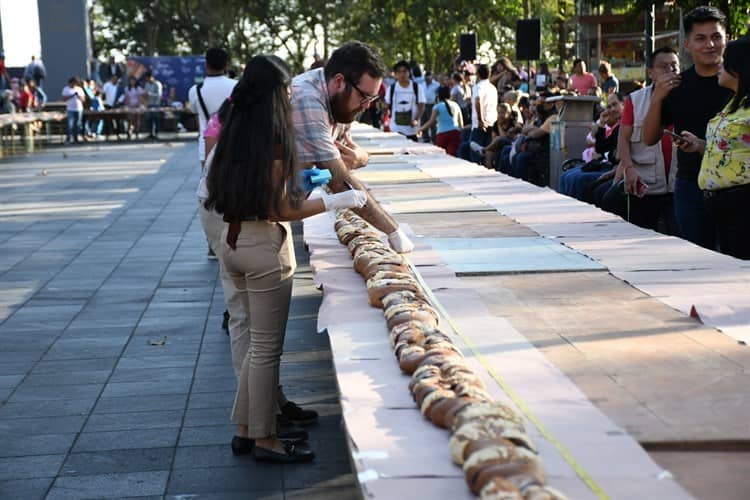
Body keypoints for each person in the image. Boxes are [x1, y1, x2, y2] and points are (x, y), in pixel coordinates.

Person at [204, 55, 367, 463]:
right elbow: (282, 208)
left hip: (231, 240)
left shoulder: (233, 129)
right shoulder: (274, 135)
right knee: (264, 350)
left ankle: (246, 429)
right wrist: (333, 200)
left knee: (252, 343)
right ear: (276, 93)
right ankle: (265, 439)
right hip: (263, 248)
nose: (292, 96)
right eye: (287, 91)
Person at [291, 41, 414, 253]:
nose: (367, 106)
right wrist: (392, 230)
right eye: (364, 97)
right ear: (339, 81)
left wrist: (361, 158)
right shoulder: (308, 99)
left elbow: (337, 162)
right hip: (246, 215)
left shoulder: (340, 101)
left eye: (373, 98)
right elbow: (338, 179)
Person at [643, 6, 733, 249]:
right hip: (691, 184)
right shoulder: (677, 85)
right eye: (700, 38)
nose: (710, 45)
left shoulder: (741, 82)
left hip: (737, 187)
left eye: (716, 37)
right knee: (698, 259)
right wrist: (657, 98)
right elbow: (649, 138)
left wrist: (706, 146)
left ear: (727, 38)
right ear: (687, 45)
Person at [682, 36, 750, 259]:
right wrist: (700, 145)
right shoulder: (733, 103)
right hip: (721, 206)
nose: (719, 64)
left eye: (726, 60)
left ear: (739, 67)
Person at [188, 48, 237, 335]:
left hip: (206, 149)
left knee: (212, 195)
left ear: (206, 64)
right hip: (237, 153)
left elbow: (195, 114)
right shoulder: (236, 88)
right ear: (227, 64)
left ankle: (213, 245)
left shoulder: (196, 90)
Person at [616, 47, 680, 233]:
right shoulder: (635, 100)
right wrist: (628, 168)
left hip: (680, 185)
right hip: (645, 184)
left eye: (674, 66)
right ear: (650, 72)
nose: (670, 71)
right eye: (663, 66)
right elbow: (623, 137)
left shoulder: (688, 95)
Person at [461, 63, 498, 164]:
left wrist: (481, 120)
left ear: (478, 74)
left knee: (476, 154)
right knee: (488, 154)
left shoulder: (478, 87)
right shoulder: (493, 88)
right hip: (492, 123)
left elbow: (478, 100)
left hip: (480, 125)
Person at [385, 60, 426, 141]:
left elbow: (421, 105)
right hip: (395, 129)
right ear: (395, 74)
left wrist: (416, 119)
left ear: (409, 73)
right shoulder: (391, 88)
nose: (402, 74)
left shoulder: (417, 88)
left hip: (412, 130)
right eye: (399, 72)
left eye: (404, 71)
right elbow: (386, 104)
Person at [417, 86, 463, 156]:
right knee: (453, 156)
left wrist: (420, 129)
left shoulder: (437, 107)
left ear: (438, 96)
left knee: (442, 157)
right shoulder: (456, 105)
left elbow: (431, 121)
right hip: (455, 133)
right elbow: (461, 124)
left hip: (442, 134)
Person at [61, 77, 85, 144]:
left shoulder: (79, 89)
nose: (74, 85)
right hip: (70, 109)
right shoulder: (66, 89)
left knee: (78, 124)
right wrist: (72, 95)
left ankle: (76, 138)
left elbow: (83, 99)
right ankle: (68, 138)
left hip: (79, 109)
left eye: (75, 83)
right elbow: (64, 99)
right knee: (70, 124)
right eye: (73, 83)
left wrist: (78, 96)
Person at [420, 71, 440, 143]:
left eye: (429, 78)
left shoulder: (437, 85)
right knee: (423, 121)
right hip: (424, 104)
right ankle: (426, 139)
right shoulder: (422, 85)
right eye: (426, 78)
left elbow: (438, 95)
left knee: (432, 123)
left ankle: (434, 139)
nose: (427, 80)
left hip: (432, 105)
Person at [144, 72, 163, 139]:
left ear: (152, 77)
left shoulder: (157, 84)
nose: (148, 79)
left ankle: (157, 133)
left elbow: (159, 95)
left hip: (156, 104)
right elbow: (146, 93)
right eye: (147, 78)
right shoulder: (146, 84)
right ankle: (150, 133)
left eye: (149, 78)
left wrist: (150, 94)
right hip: (149, 104)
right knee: (149, 119)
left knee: (156, 119)